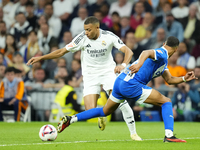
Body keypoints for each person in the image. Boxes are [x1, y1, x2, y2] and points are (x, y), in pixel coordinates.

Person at [56, 36, 197, 143]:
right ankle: (169, 135)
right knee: (166, 101)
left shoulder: (162, 61)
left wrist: (184, 78)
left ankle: (70, 119)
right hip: (132, 84)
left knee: (105, 111)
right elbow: (146, 52)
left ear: (164, 43)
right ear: (176, 49)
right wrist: (139, 64)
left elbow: (170, 80)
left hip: (120, 82)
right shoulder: (163, 52)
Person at [27, 16, 142, 141]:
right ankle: (101, 115)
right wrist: (41, 58)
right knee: (90, 111)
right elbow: (61, 52)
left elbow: (128, 51)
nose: (86, 33)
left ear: (97, 28)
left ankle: (133, 133)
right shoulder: (82, 38)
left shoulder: (109, 36)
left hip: (108, 72)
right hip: (90, 75)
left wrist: (123, 65)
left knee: (119, 100)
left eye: (89, 30)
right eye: (85, 30)